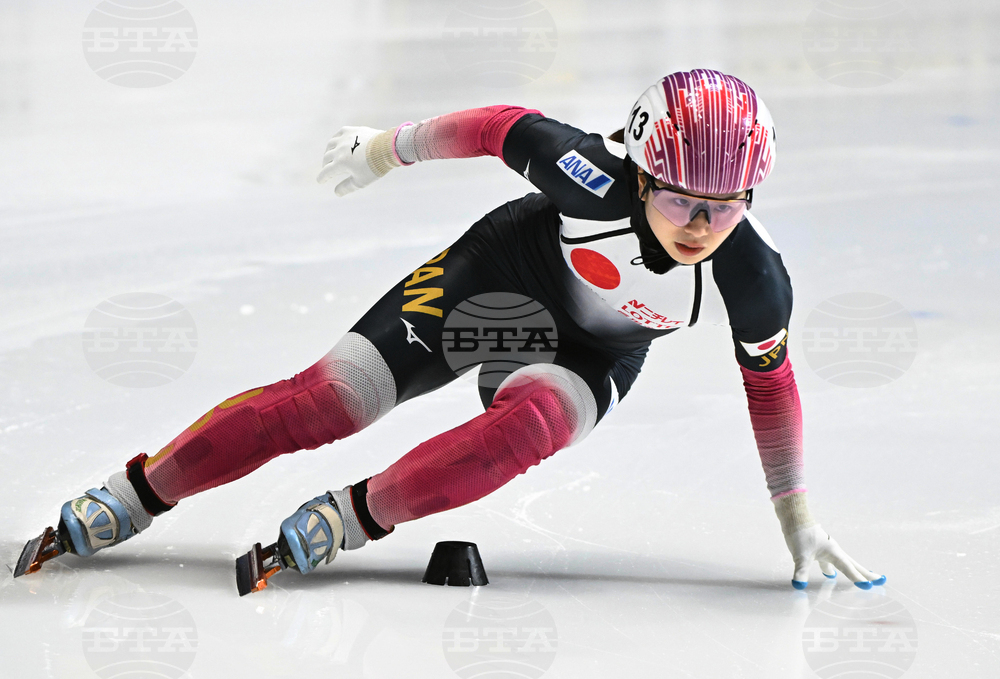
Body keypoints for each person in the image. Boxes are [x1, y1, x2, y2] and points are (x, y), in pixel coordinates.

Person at [18, 69, 883, 591]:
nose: (699, 225)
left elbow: (771, 385)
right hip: (493, 283)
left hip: (588, 355)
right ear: (640, 166)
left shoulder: (754, 275)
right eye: (677, 199)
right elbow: (496, 129)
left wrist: (794, 513)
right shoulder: (586, 172)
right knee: (328, 402)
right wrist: (384, 147)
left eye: (724, 207)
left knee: (529, 430)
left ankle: (351, 518)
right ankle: (136, 493)